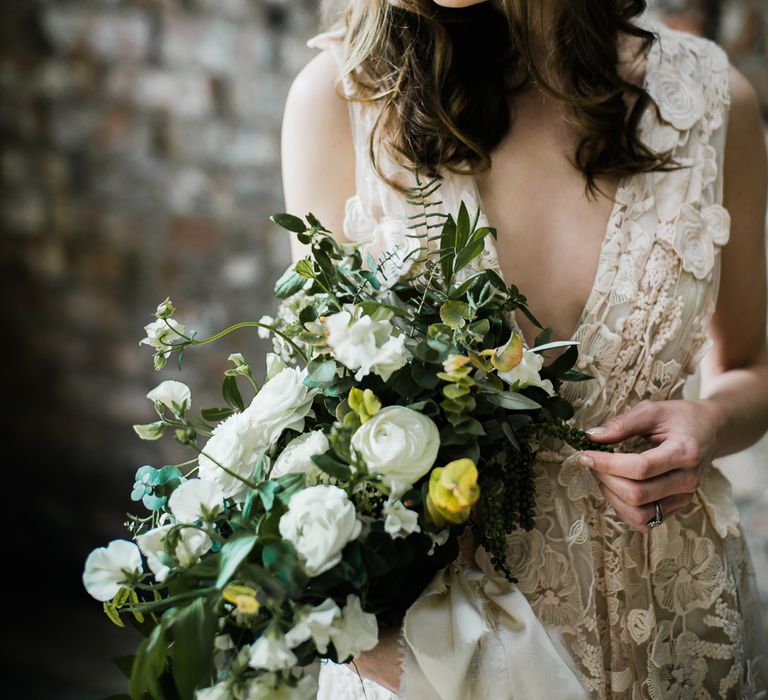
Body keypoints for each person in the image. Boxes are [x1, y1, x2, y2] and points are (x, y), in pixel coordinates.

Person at [280, 0, 768, 697]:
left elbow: (753, 365)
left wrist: (710, 424)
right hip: (439, 656)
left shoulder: (715, 105)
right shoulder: (337, 101)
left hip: (669, 632)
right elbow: (320, 420)